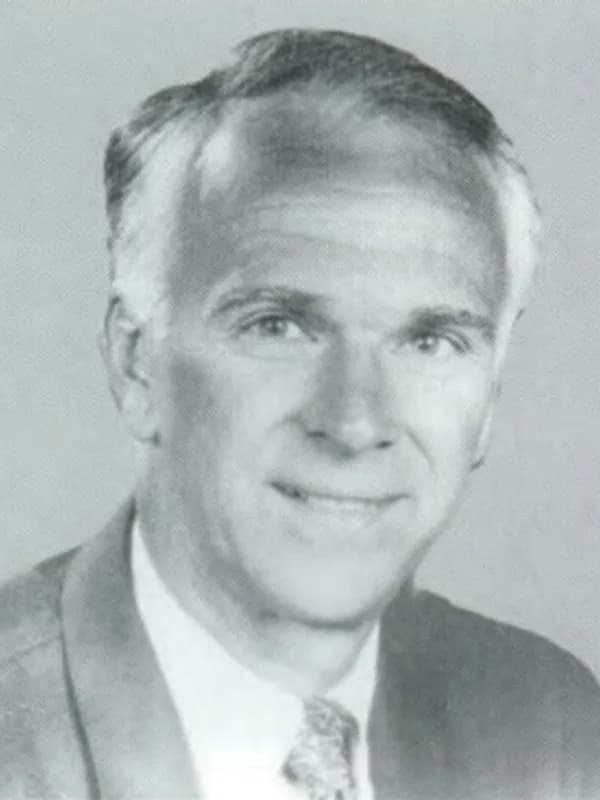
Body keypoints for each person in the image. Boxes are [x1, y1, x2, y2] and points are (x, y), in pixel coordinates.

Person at [1, 28, 599, 800]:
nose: (354, 423)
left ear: (487, 402)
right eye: (279, 327)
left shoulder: (552, 727)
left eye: (430, 341)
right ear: (136, 362)